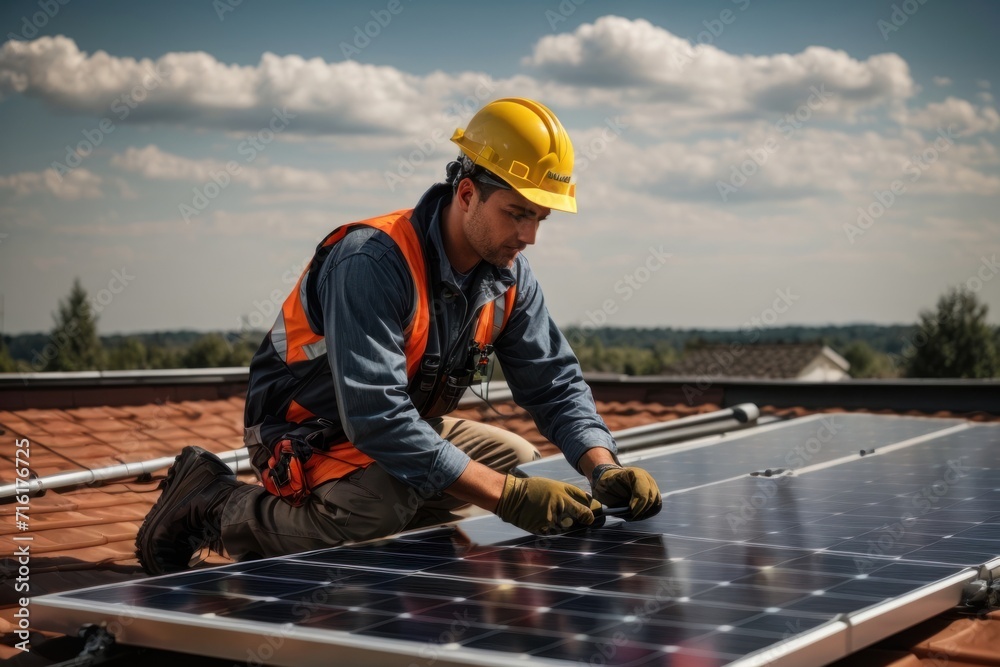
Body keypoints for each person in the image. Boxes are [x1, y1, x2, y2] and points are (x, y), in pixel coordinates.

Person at [136, 98, 661, 575]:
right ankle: (211, 501)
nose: (528, 237)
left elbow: (553, 383)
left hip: (395, 430)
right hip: (306, 434)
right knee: (379, 509)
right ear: (467, 193)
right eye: (517, 213)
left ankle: (391, 508)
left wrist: (602, 466)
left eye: (540, 218)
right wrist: (504, 499)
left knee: (519, 460)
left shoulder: (508, 275)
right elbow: (376, 418)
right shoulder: (373, 260)